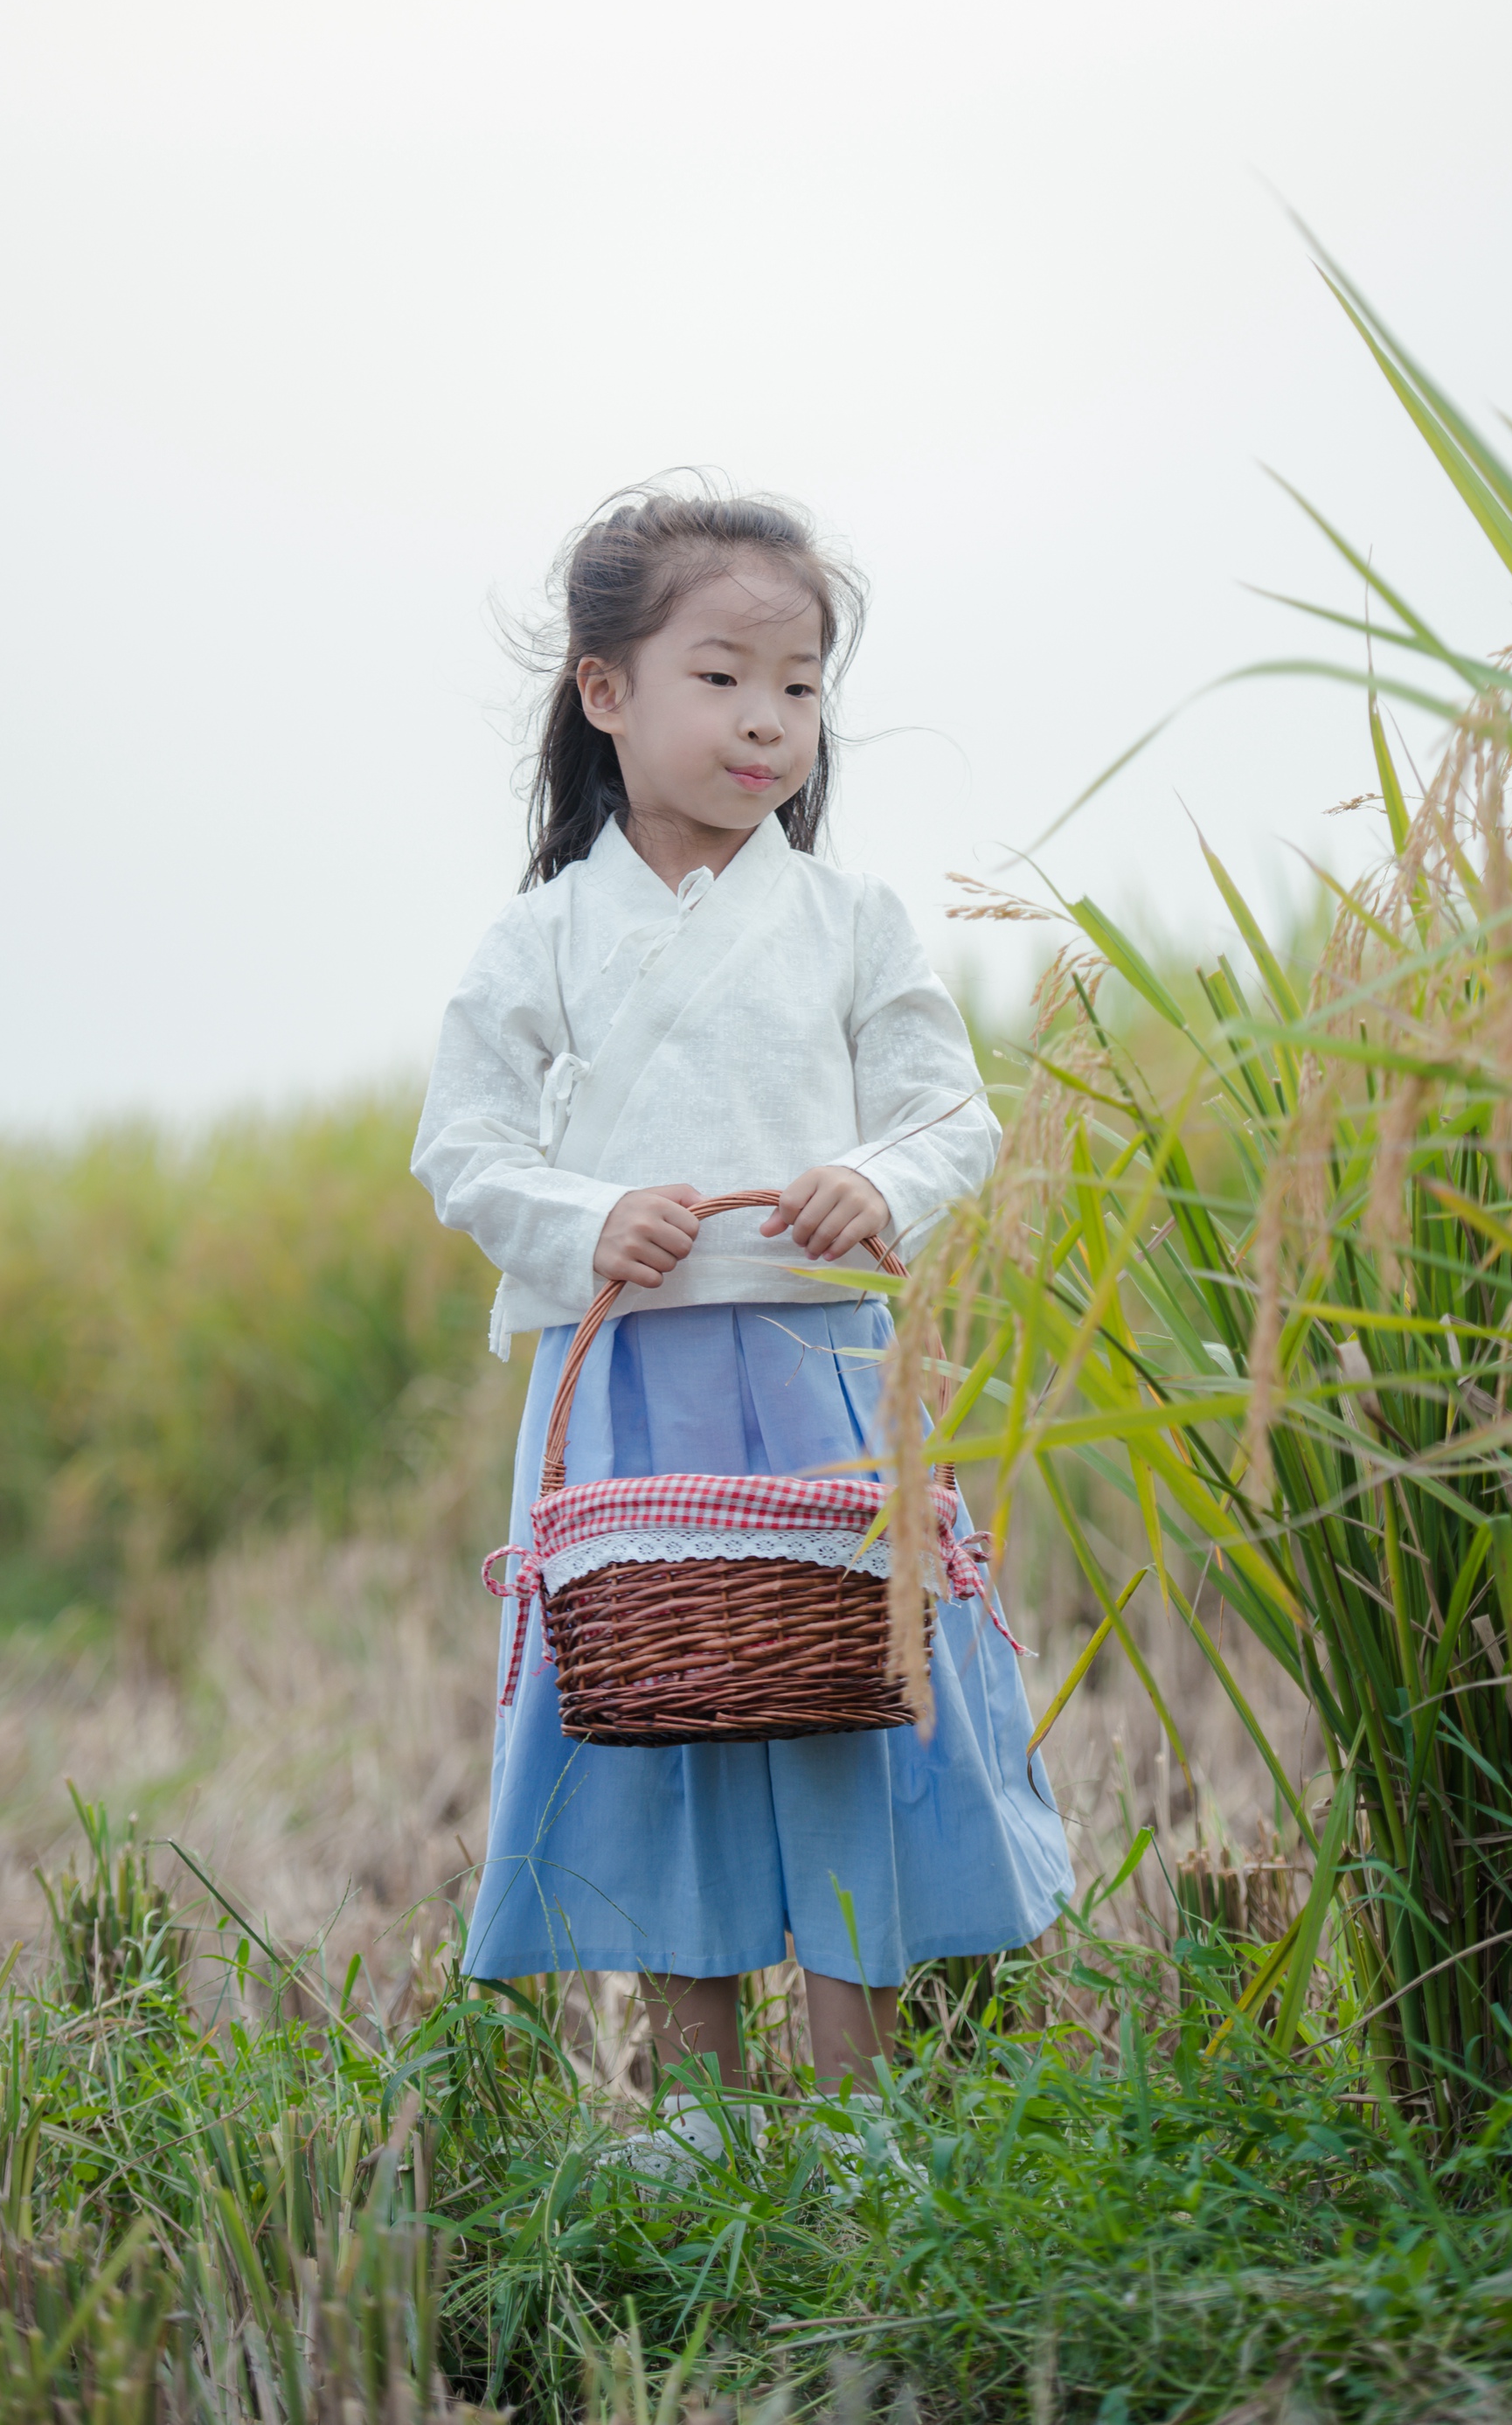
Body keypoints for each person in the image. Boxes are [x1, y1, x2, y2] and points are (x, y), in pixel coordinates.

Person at [413, 484, 1071, 2170]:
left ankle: (855, 2097)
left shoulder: (850, 921)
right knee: (658, 1714)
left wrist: (873, 1180)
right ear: (607, 692)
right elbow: (466, 1152)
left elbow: (952, 1116)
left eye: (799, 682)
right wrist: (582, 1220)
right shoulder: (542, 936)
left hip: (815, 1372)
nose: (769, 718)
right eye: (723, 678)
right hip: (626, 1380)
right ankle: (693, 2104)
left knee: (843, 1699)